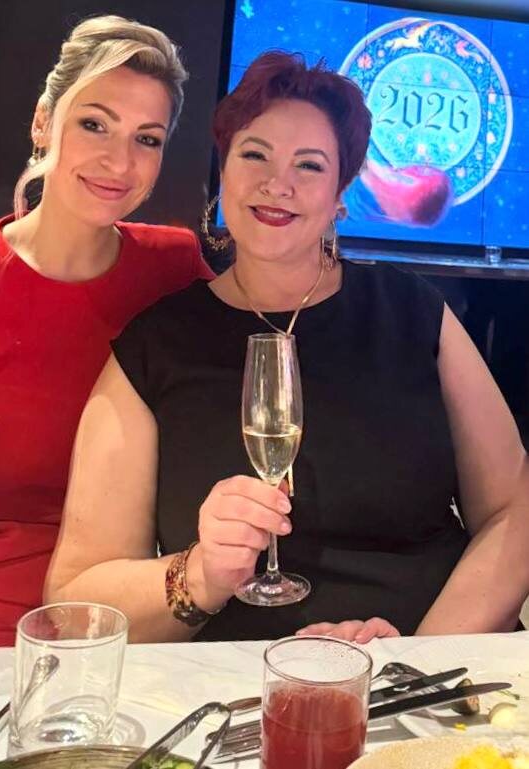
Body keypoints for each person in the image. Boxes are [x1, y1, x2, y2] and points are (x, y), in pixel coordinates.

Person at [45, 51, 529, 643]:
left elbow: (514, 512)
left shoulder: (412, 312)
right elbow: (73, 604)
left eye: (310, 165)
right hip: (239, 682)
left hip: (424, 672)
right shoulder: (157, 344)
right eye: (255, 155)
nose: (278, 184)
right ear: (223, 170)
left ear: (340, 194)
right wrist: (199, 574)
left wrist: (417, 661)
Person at [0, 15, 213, 647]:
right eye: (94, 124)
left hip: (121, 613)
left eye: (148, 139)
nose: (119, 161)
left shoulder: (173, 267)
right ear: (42, 122)